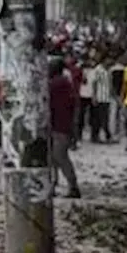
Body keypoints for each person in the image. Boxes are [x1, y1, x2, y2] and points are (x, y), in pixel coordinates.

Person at [49, 58, 82, 198]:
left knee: (59, 157)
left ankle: (72, 186)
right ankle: (54, 185)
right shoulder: (65, 83)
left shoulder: (56, 84)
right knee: (54, 157)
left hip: (59, 124)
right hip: (62, 124)